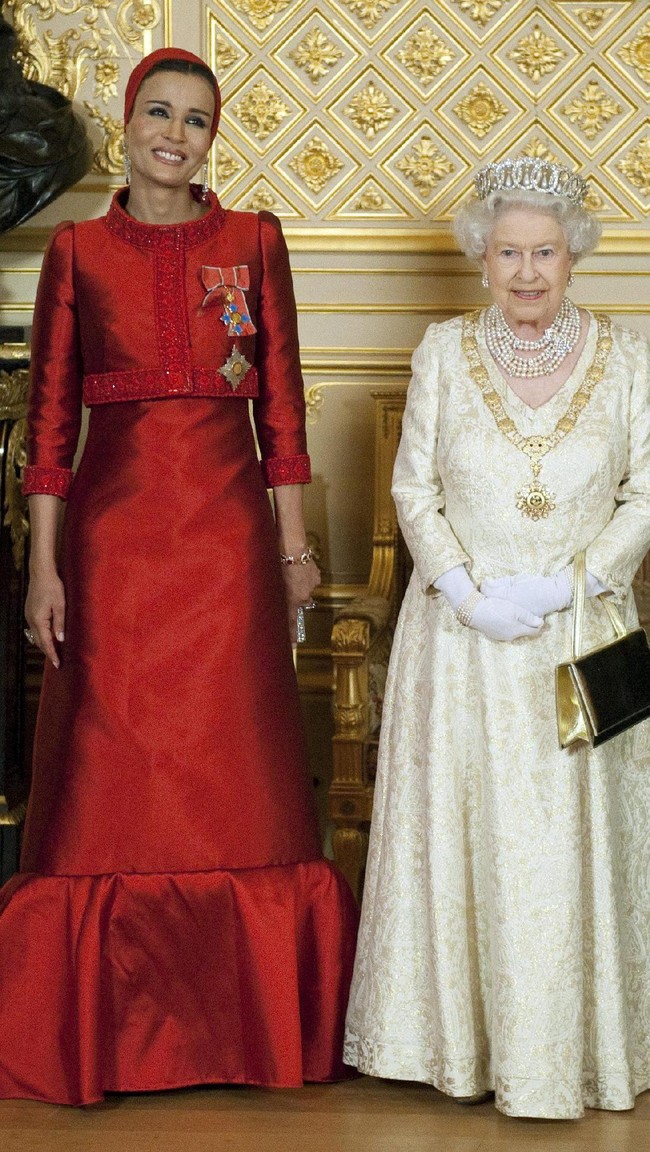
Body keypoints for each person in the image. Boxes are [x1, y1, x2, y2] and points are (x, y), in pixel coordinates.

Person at [0, 47, 358, 1105]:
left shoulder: (254, 242)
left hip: (227, 549)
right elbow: (49, 430)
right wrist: (43, 570)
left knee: (231, 777)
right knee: (115, 779)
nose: (174, 133)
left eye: (196, 120)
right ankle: (100, 1041)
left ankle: (246, 1034)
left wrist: (293, 550)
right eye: (158, 113)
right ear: (127, 123)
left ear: (212, 138)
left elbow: (282, 412)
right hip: (111, 552)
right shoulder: (75, 251)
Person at [344, 156, 650, 1119]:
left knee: (571, 851)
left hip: (586, 636)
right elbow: (412, 489)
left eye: (545, 252)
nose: (526, 272)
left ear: (574, 257)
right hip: (462, 641)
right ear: (482, 257)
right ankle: (458, 1048)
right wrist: (464, 592)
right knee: (469, 842)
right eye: (509, 252)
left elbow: (647, 493)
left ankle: (580, 1053)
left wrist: (574, 582)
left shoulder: (628, 356)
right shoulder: (442, 351)